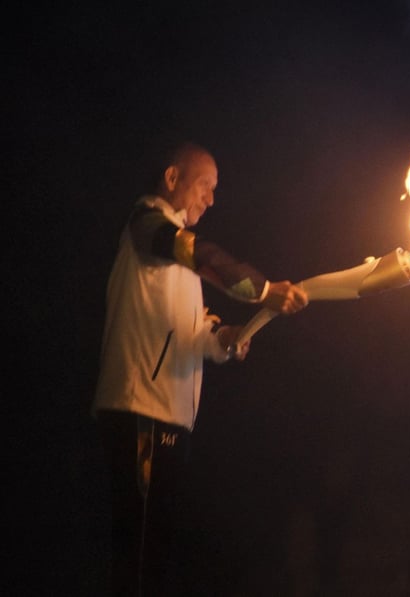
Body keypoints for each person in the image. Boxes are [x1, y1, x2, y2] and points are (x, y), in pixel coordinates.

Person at [92, 142, 309, 596]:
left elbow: (191, 333)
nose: (210, 199)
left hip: (167, 418)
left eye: (215, 190)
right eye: (204, 185)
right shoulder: (147, 226)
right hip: (139, 414)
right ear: (172, 179)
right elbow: (204, 256)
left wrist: (224, 339)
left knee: (154, 554)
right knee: (138, 557)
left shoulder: (174, 261)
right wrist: (264, 289)